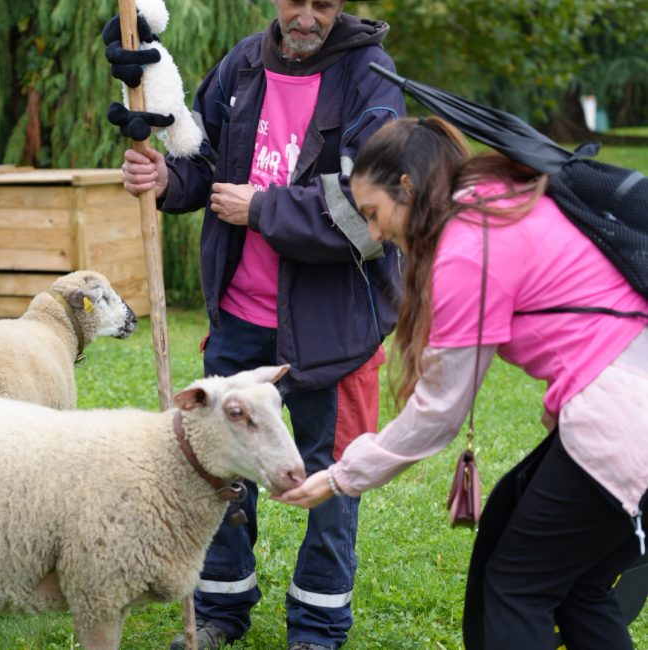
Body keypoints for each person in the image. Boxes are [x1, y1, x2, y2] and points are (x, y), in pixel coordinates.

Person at [276, 115, 648, 650]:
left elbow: (439, 411)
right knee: (577, 586)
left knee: (515, 587)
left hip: (622, 429)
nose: (375, 234)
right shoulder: (498, 198)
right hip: (623, 416)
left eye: (375, 215)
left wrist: (340, 478)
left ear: (407, 187)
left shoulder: (469, 245)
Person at [120, 1, 405, 649]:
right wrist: (165, 176)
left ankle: (317, 628)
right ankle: (222, 607)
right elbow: (206, 164)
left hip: (330, 328)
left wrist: (267, 208)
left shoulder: (372, 78)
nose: (306, 16)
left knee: (329, 477)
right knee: (216, 470)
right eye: (295, 0)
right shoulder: (244, 64)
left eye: (324, 3)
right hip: (240, 321)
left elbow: (371, 213)